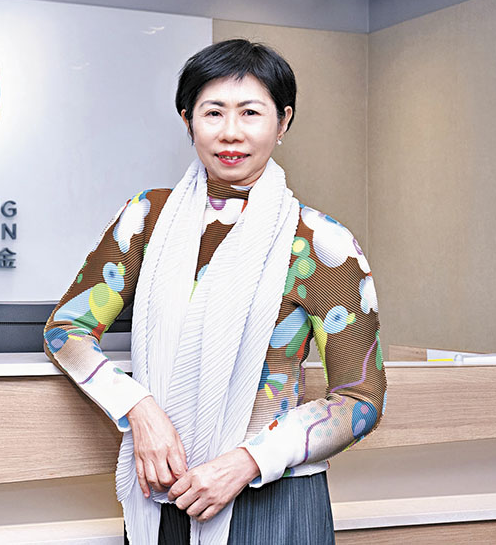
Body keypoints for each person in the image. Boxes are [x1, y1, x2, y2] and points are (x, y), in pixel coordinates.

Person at [43, 39, 386, 544]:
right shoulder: (147, 217)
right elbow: (66, 329)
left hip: (272, 500)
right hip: (165, 486)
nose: (230, 132)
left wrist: (248, 461)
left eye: (251, 112)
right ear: (188, 121)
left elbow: (360, 398)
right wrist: (140, 409)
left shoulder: (321, 243)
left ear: (283, 122)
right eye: (213, 112)